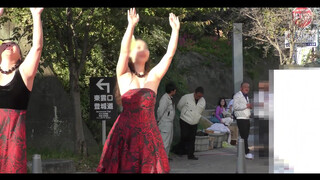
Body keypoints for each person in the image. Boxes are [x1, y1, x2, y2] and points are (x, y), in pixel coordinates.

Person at [97, 8, 180, 173]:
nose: (142, 50)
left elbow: (169, 55)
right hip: (125, 134)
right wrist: (131, 26)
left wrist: (175, 31)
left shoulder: (154, 76)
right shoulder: (123, 75)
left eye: (145, 48)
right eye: (138, 48)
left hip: (148, 135)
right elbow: (123, 50)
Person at [0, 8, 44, 173]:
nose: (9, 44)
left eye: (14, 44)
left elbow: (37, 48)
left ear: (20, 56)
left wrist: (36, 15)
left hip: (12, 142)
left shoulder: (24, 74)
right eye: (5, 43)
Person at [176, 86, 206, 160]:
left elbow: (202, 110)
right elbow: (179, 106)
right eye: (197, 96)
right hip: (185, 120)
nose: (198, 98)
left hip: (194, 121)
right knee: (184, 136)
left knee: (192, 138)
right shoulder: (186, 97)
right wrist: (184, 113)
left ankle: (191, 155)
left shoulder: (203, 101)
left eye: (200, 96)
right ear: (194, 93)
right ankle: (180, 150)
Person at [233, 82, 253, 160]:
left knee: (246, 136)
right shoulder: (237, 95)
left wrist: (249, 108)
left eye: (248, 87)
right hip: (241, 118)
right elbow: (235, 107)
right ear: (241, 88)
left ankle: (243, 151)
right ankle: (246, 152)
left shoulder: (246, 96)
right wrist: (246, 106)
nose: (247, 88)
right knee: (244, 136)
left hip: (246, 118)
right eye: (245, 87)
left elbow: (245, 107)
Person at [157, 82, 177, 160]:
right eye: (174, 90)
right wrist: (158, 119)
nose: (175, 92)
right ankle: (161, 158)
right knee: (164, 141)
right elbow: (160, 110)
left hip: (169, 123)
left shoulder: (170, 98)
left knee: (168, 141)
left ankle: (166, 156)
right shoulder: (165, 98)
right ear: (171, 91)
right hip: (165, 123)